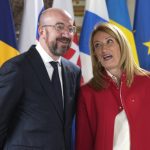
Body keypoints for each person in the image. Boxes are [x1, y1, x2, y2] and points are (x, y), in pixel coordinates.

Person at [0, 8, 81, 150]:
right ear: (42, 31)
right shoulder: (17, 68)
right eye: (59, 27)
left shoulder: (73, 72)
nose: (66, 34)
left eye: (70, 28)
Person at [75, 22, 150, 150]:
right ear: (95, 55)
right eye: (97, 45)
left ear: (121, 45)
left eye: (109, 41)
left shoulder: (147, 82)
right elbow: (83, 142)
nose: (104, 49)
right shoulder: (88, 92)